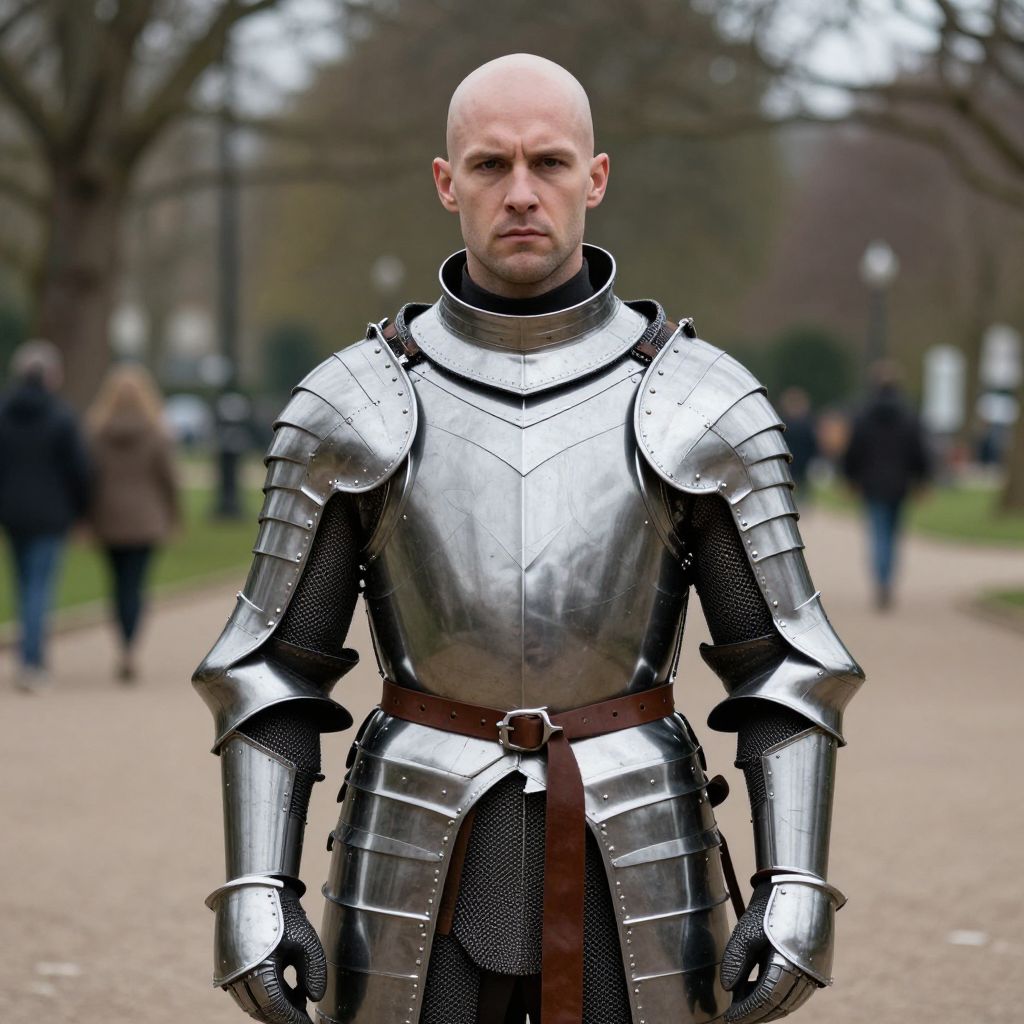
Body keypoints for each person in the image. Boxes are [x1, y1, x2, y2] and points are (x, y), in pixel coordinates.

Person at [194, 55, 864, 1024]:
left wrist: (795, 879)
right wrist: (257, 888)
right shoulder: (354, 403)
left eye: (548, 162)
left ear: (595, 177)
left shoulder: (698, 401)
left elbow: (787, 666)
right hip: (406, 844)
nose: (519, 192)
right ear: (444, 182)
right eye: (489, 164)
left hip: (639, 838)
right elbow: (270, 668)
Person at [0, 339, 90, 691]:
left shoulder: (4, 412)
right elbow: (78, 470)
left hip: (12, 512)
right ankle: (32, 661)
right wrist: (81, 510)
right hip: (51, 513)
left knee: (23, 584)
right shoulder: (62, 416)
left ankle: (28, 655)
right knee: (39, 587)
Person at [86, 364, 180, 681]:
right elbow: (168, 479)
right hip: (145, 518)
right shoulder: (156, 432)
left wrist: (86, 517)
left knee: (118, 585)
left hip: (109, 518)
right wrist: (174, 514)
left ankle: (122, 643)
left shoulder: (97, 433)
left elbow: (88, 478)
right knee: (136, 585)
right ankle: (130, 647)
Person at [841, 360, 930, 610]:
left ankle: (881, 580)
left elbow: (853, 451)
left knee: (878, 533)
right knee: (893, 534)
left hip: (872, 483)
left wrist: (850, 478)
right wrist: (922, 479)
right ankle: (887, 578)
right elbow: (919, 451)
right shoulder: (909, 416)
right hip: (900, 483)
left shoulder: (863, 415)